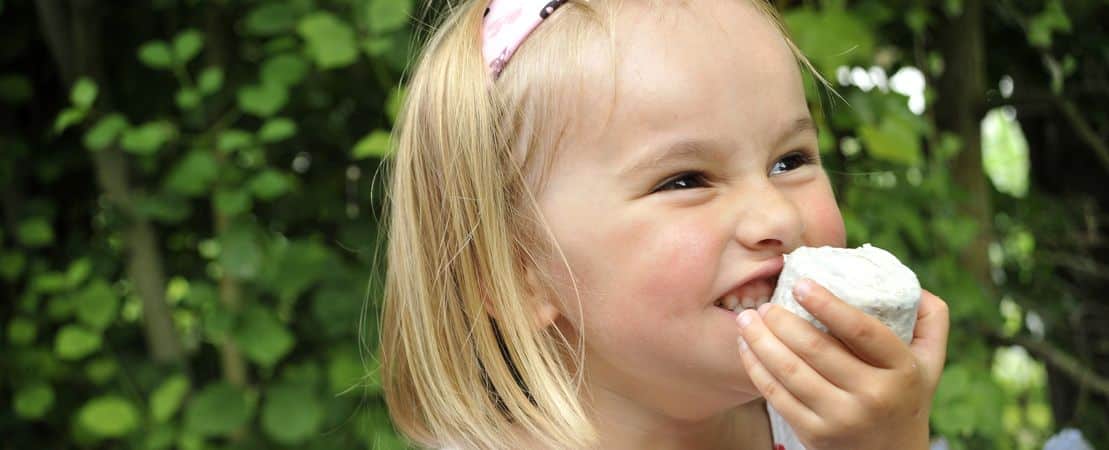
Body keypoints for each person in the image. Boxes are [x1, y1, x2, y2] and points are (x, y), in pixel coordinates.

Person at [380, 0, 951, 448]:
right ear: (516, 272)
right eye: (685, 180)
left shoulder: (842, 434)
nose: (778, 216)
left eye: (790, 161)